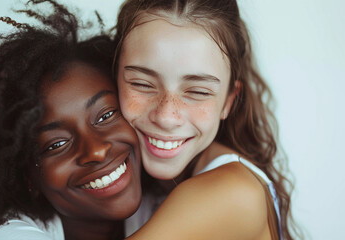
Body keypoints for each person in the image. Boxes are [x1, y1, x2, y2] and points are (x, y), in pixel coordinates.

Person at [0, 1, 141, 239]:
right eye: (56, 144)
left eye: (106, 115)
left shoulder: (172, 194)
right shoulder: (12, 235)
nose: (96, 151)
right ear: (27, 177)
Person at [114, 0, 299, 239]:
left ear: (229, 101)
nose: (167, 117)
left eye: (198, 92)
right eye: (142, 84)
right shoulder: (135, 186)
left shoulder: (235, 192)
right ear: (113, 79)